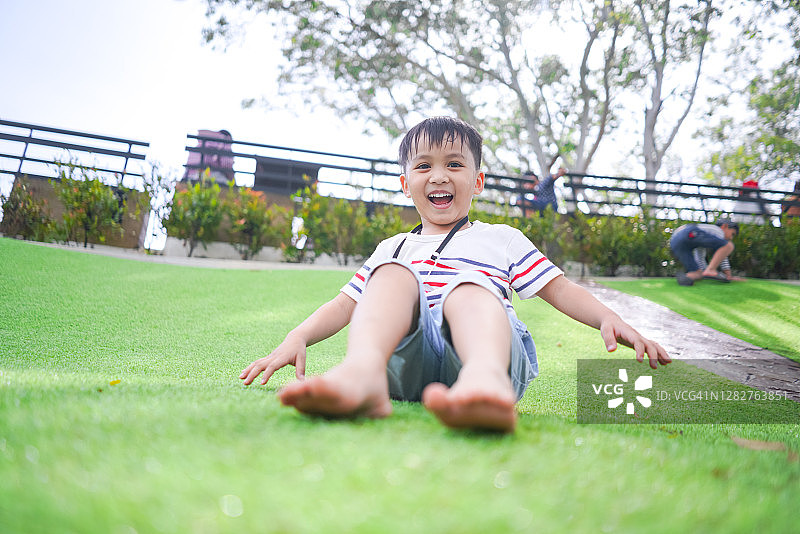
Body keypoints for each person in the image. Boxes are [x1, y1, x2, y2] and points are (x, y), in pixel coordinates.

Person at [240, 117, 670, 433]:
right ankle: (362, 375)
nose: (439, 175)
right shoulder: (393, 247)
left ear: (477, 181)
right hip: (410, 367)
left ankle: (485, 384)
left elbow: (560, 289)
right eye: (423, 166)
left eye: (454, 165)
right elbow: (343, 305)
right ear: (405, 184)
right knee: (389, 275)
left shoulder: (501, 239)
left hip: (488, 354)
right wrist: (297, 336)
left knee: (468, 286)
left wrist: (609, 318)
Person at [669, 218, 739, 286]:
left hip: (675, 240)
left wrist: (703, 272)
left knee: (697, 274)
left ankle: (686, 277)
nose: (731, 238)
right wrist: (728, 275)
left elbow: (699, 256)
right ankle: (711, 270)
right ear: (724, 226)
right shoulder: (718, 231)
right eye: (732, 234)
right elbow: (723, 254)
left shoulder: (704, 234)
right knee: (729, 246)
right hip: (688, 231)